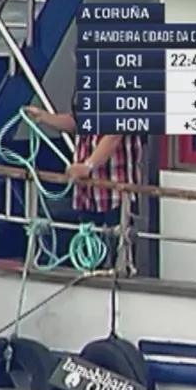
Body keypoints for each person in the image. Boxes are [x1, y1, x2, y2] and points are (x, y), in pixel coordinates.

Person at [22, 103, 145, 274]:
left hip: (116, 196)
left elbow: (114, 135)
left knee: (117, 259)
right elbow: (76, 121)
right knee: (89, 257)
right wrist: (44, 117)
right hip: (87, 196)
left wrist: (88, 165)